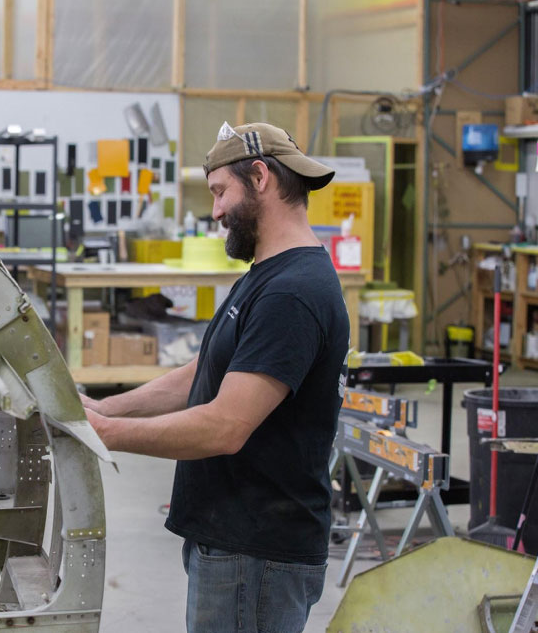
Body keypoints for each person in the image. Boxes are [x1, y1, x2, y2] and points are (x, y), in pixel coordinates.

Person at [82, 122, 349, 633]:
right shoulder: (267, 275)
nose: (217, 210)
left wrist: (107, 436)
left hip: (257, 552)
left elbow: (225, 426)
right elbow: (204, 372)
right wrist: (103, 408)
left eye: (220, 192)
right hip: (234, 541)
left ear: (260, 176)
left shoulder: (291, 293)